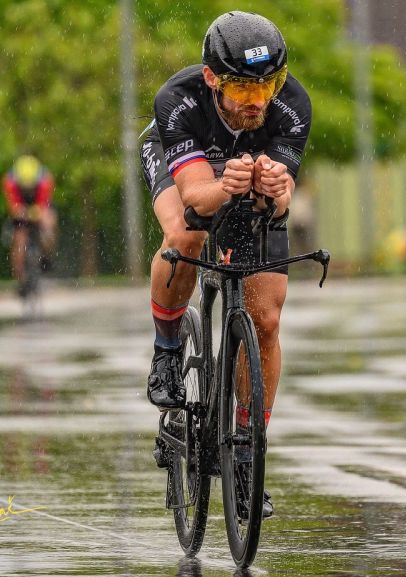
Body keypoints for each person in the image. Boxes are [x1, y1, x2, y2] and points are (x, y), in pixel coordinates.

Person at [139, 11, 312, 517]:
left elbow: (280, 202)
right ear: (213, 78)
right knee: (186, 234)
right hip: (189, 165)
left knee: (267, 318)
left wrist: (276, 191)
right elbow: (196, 197)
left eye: (268, 85)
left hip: (246, 176)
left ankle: (245, 449)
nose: (257, 100)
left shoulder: (292, 105)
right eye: (242, 87)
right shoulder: (179, 100)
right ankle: (167, 348)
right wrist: (225, 187)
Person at [2, 155, 57, 296]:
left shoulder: (46, 179)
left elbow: (44, 204)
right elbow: (14, 206)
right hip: (21, 206)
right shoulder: (9, 181)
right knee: (19, 241)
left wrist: (38, 213)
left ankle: (47, 255)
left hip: (39, 204)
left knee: (48, 221)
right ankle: (21, 279)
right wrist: (20, 212)